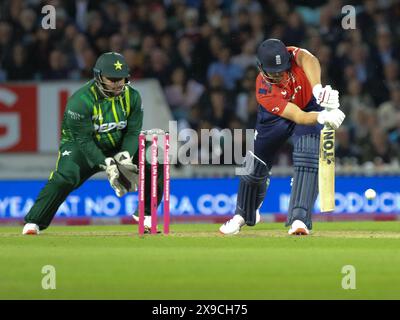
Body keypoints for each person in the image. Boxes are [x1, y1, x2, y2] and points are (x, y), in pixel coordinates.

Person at [22, 52, 164, 235]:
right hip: (80, 147)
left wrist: (125, 156)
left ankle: (145, 215)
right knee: (65, 178)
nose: (118, 84)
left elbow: (132, 131)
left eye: (121, 79)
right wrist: (107, 163)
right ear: (98, 76)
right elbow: (84, 140)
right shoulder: (80, 101)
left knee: (153, 156)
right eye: (112, 79)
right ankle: (34, 222)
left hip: (117, 143)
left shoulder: (133, 97)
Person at [219, 39, 345, 236]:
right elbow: (298, 116)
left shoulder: (293, 55)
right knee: (254, 165)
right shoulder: (264, 91)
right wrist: (322, 116)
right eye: (274, 72)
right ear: (261, 68)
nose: (280, 75)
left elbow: (309, 59)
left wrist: (318, 90)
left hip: (310, 103)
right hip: (277, 116)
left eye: (282, 70)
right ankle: (243, 214)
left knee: (308, 157)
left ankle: (299, 219)